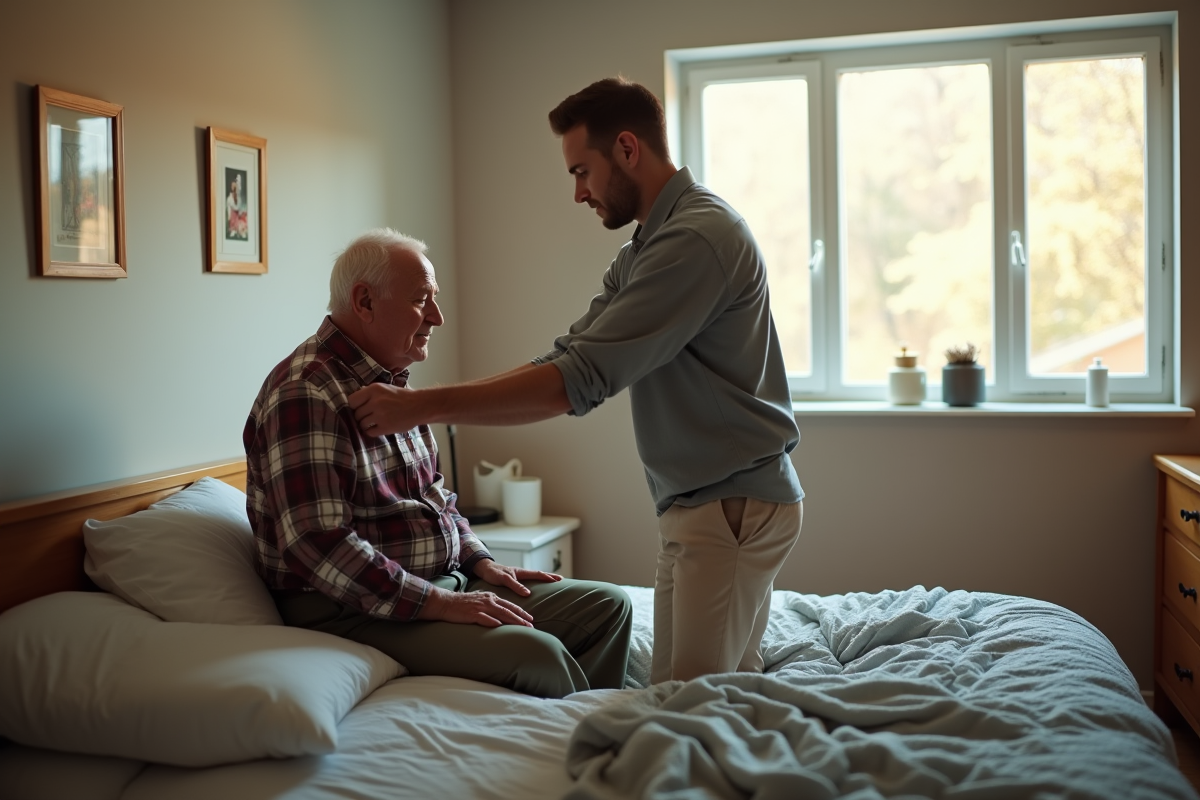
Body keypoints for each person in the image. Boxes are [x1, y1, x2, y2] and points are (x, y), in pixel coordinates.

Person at [348, 77, 804, 684]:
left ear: (626, 148)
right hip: (703, 505)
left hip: (731, 505)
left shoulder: (694, 240)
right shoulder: (646, 248)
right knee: (695, 695)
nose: (578, 193)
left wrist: (420, 407)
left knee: (689, 706)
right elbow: (566, 357)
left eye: (581, 171)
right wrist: (425, 404)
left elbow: (577, 382)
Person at [243, 228, 632, 699]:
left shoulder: (393, 387)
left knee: (608, 605)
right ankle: (589, 748)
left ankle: (597, 728)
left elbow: (436, 499)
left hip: (440, 582)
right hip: (348, 608)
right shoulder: (306, 391)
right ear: (364, 301)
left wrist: (479, 560)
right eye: (421, 299)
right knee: (536, 655)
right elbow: (318, 543)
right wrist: (438, 602)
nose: (438, 317)